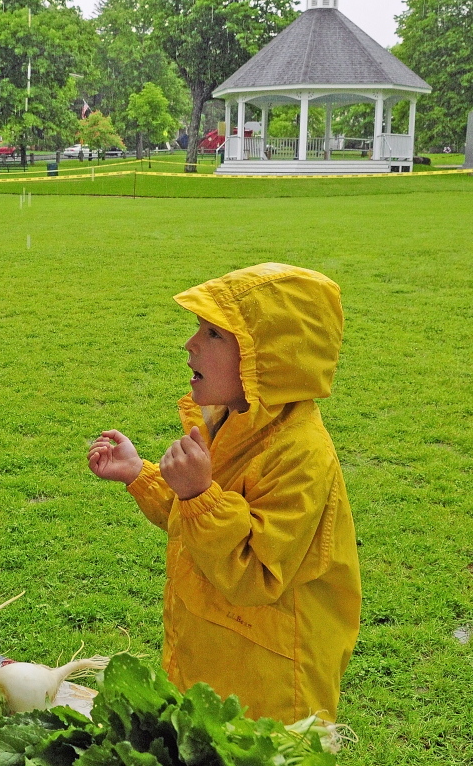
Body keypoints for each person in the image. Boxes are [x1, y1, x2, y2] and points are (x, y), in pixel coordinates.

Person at [87, 263, 361, 723]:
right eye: (199, 328)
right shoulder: (231, 422)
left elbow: (254, 573)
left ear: (269, 359)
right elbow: (192, 523)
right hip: (211, 658)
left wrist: (199, 494)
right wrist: (143, 475)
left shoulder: (299, 454)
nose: (190, 344)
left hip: (269, 684)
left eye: (213, 334)